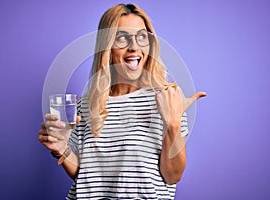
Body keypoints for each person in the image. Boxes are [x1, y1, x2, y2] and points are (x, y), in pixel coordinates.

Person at [38, 3, 206, 199]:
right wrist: (62, 150)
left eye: (142, 36)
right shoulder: (86, 104)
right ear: (107, 47)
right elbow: (86, 177)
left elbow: (173, 176)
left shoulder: (167, 98)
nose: (134, 47)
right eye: (122, 38)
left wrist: (173, 123)